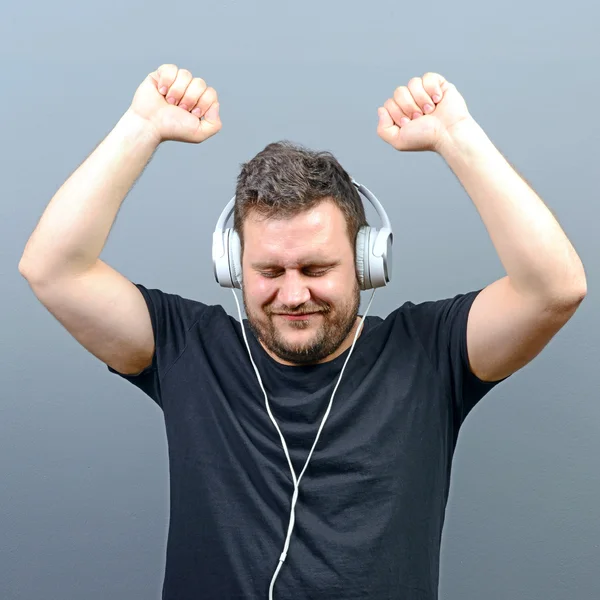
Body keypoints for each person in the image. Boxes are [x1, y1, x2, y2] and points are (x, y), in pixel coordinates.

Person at [18, 64, 587, 600]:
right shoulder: (186, 347)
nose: (293, 295)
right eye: (269, 272)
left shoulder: (428, 353)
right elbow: (53, 269)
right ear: (232, 267)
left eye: (316, 270)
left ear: (367, 262)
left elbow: (554, 289)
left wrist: (457, 137)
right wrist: (141, 128)